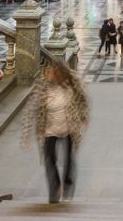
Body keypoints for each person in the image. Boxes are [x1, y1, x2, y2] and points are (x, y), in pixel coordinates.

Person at [22, 61, 89, 204]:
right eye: (48, 72)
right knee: (49, 159)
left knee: (69, 159)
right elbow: (29, 110)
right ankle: (55, 188)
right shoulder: (42, 85)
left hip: (69, 127)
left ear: (59, 74)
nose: (49, 75)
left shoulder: (73, 81)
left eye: (52, 73)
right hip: (49, 129)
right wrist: (26, 138)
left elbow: (83, 98)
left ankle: (68, 188)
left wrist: (84, 117)